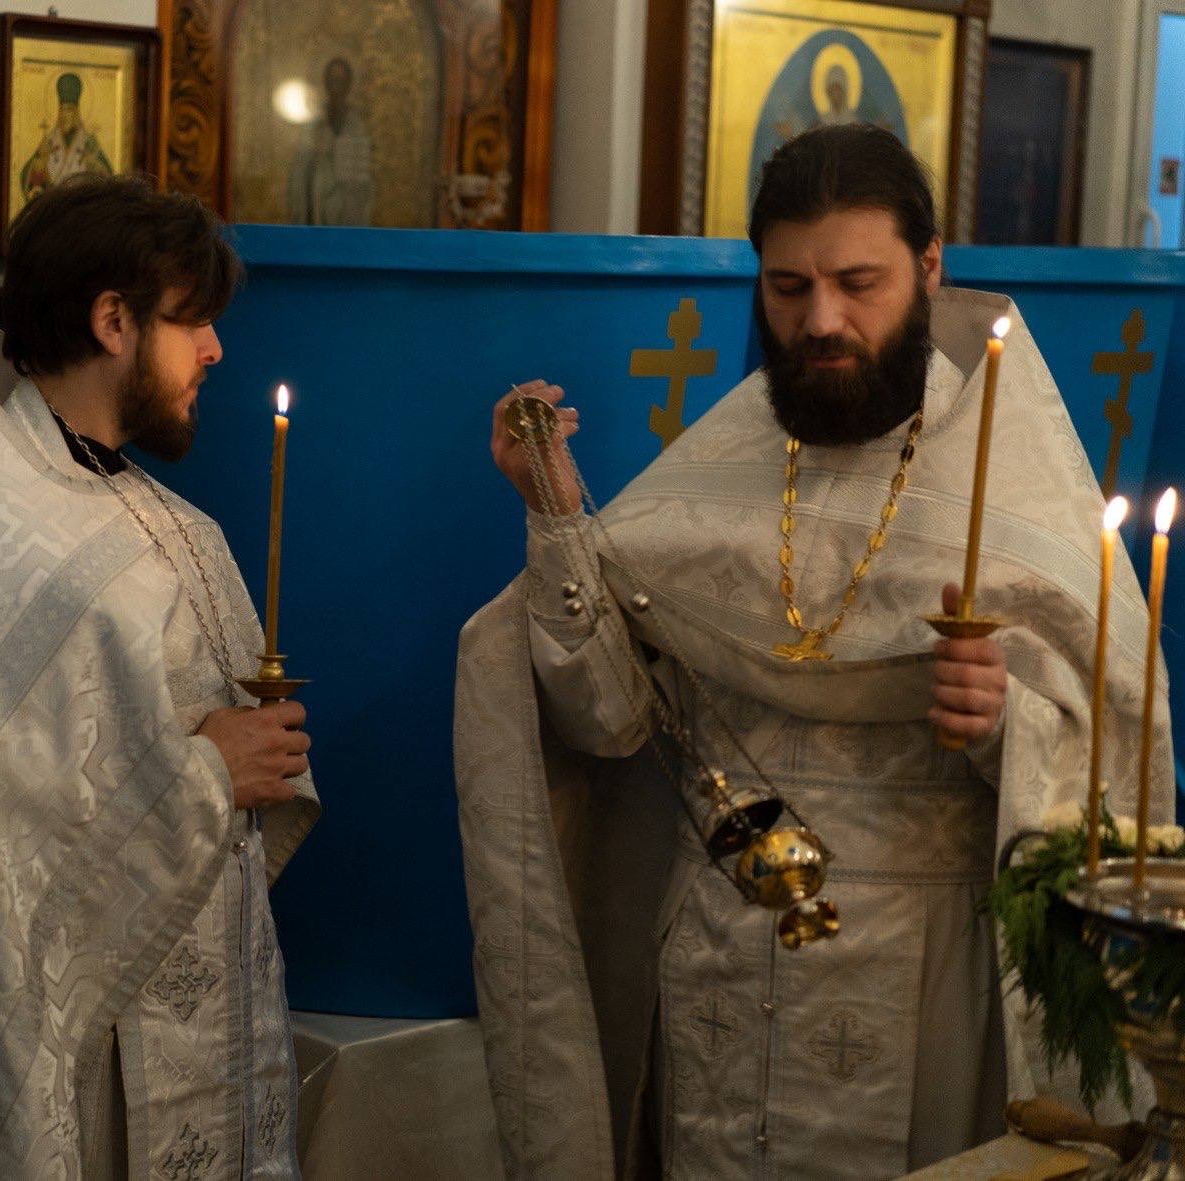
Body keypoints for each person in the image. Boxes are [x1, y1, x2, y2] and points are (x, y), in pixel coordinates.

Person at [455, 124, 1174, 1179]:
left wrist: (1005, 722)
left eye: (857, 283)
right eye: (787, 287)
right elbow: (610, 723)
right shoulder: (721, 464)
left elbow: (1108, 769)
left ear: (929, 268)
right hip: (717, 956)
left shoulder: (1012, 486)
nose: (820, 320)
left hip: (917, 973)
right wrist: (559, 514)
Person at [0, 174, 319, 1178]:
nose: (214, 350)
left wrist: (256, 757)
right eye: (192, 321)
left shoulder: (187, 530)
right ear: (113, 321)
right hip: (89, 1056)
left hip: (214, 1013)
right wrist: (207, 774)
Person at [286, 56, 374, 227]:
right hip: (318, 198)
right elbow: (300, 168)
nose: (337, 86)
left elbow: (366, 173)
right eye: (332, 80)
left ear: (349, 84)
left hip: (349, 203)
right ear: (325, 82)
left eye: (342, 80)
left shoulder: (357, 124)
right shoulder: (314, 122)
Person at [20, 72, 114, 202]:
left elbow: (109, 182)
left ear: (76, 112)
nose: (64, 115)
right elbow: (29, 182)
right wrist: (40, 163)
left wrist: (93, 164)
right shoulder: (49, 142)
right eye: (61, 110)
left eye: (68, 109)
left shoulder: (89, 143)